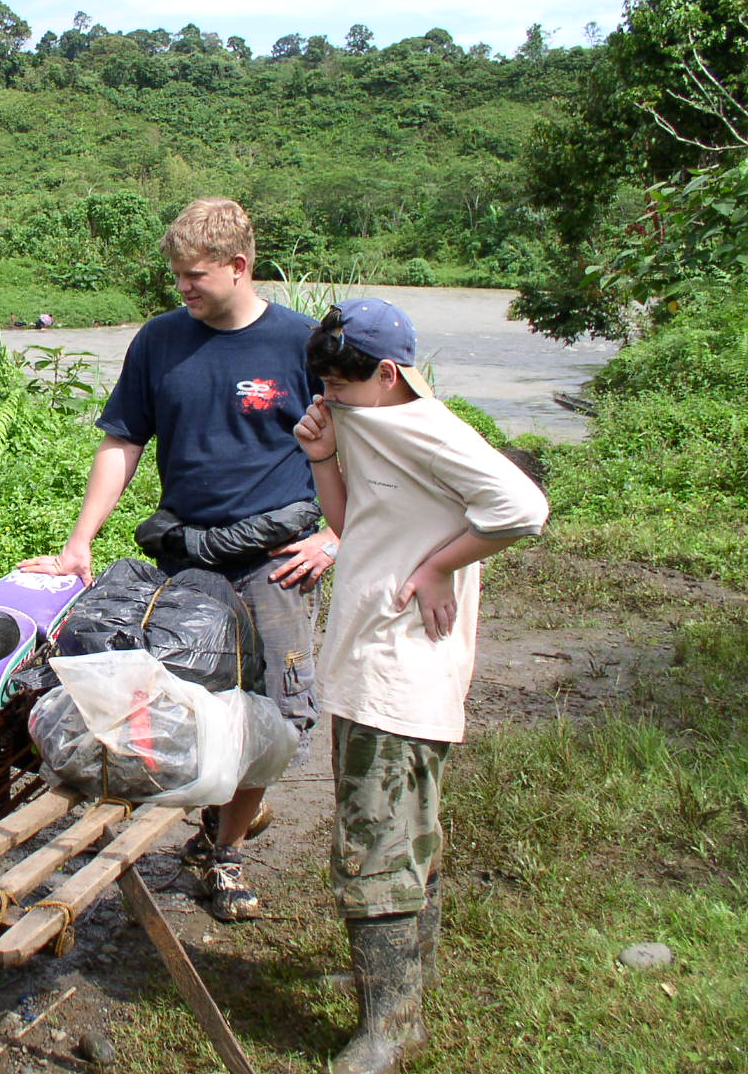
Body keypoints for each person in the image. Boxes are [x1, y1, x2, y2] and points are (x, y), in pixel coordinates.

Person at [20, 197, 338, 921]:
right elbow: (123, 442)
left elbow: (354, 441)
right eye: (176, 276)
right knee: (167, 699)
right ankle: (188, 806)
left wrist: (336, 538)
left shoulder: (303, 343)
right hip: (184, 556)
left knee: (279, 714)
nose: (182, 289)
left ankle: (222, 852)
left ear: (239, 266)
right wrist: (80, 543)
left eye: (194, 276)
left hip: (275, 557)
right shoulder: (161, 341)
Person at [294, 299, 548, 1074]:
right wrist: (323, 457)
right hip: (372, 659)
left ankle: (392, 1026)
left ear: (389, 373)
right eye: (324, 381)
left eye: (342, 381)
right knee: (403, 829)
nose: (330, 394)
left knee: (376, 837)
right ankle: (397, 986)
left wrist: (440, 564)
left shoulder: (428, 428)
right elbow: (357, 524)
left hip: (399, 670)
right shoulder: (370, 421)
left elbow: (524, 508)